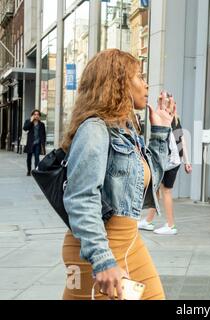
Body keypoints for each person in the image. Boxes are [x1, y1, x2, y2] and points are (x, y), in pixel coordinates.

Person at [61, 49, 174, 300]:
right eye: (139, 77)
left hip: (131, 244)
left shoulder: (126, 131)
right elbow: (80, 198)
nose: (146, 84)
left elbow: (150, 179)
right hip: (96, 250)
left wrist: (160, 132)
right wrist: (102, 259)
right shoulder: (94, 130)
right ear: (119, 83)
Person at [139, 102, 192, 235]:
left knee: (166, 191)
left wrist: (187, 161)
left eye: (165, 102)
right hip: (171, 160)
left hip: (169, 161)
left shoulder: (171, 119)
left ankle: (170, 225)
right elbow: (182, 141)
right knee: (156, 188)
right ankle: (148, 221)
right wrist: (187, 161)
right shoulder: (174, 119)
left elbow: (180, 141)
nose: (162, 104)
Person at [23, 109, 46, 176]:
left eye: (38, 114)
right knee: (29, 158)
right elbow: (25, 128)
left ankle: (36, 171)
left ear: (39, 116)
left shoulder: (42, 124)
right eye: (35, 114)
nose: (36, 116)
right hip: (30, 143)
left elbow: (43, 134)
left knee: (37, 157)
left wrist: (43, 143)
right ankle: (29, 170)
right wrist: (31, 121)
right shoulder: (28, 121)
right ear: (32, 115)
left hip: (38, 143)